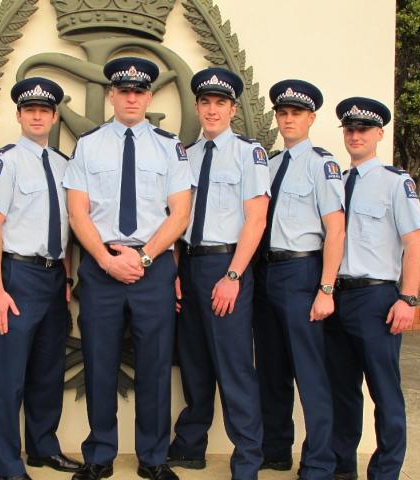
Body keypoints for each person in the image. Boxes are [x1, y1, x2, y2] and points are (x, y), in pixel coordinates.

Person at [63, 57, 192, 480]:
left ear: (149, 97)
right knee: (100, 361)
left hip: (152, 268)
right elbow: (78, 212)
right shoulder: (90, 143)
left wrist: (146, 257)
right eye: (124, 91)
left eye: (139, 91)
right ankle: (99, 456)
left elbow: (180, 213)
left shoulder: (168, 146)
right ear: (113, 96)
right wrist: (105, 259)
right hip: (102, 268)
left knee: (154, 365)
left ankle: (153, 459)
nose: (132, 97)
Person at [167, 67, 268, 479]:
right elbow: (176, 217)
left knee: (234, 365)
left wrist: (233, 275)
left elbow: (256, 220)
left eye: (220, 103)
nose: (212, 110)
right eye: (205, 102)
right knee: (193, 362)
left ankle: (247, 458)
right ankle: (191, 445)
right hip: (188, 264)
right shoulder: (185, 155)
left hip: (226, 265)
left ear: (232, 109)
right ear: (197, 106)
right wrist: (175, 271)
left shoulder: (249, 153)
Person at [0, 77, 81, 480]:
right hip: (16, 274)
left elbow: (69, 227)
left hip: (53, 277)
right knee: (8, 376)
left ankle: (43, 447)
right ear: (19, 116)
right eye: (29, 110)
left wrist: (68, 277)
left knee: (46, 370)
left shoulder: (63, 165)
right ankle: (8, 462)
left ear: (55, 116)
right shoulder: (5, 162)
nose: (37, 116)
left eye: (44, 110)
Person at [324, 98, 420, 480]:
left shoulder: (395, 182)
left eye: (362, 130)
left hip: (376, 298)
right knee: (342, 390)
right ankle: (341, 467)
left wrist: (407, 298)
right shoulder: (336, 182)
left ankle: (385, 472)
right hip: (337, 296)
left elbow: (414, 242)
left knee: (384, 392)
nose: (354, 136)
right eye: (349, 130)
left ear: (379, 134)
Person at [252, 80, 345, 479]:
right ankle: (276, 450)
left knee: (310, 372)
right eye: (283, 113)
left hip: (303, 272)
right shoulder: (268, 165)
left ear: (311, 118)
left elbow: (336, 230)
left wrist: (326, 288)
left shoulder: (321, 165)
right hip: (266, 272)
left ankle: (320, 462)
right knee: (271, 369)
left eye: (297, 113)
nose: (288, 119)